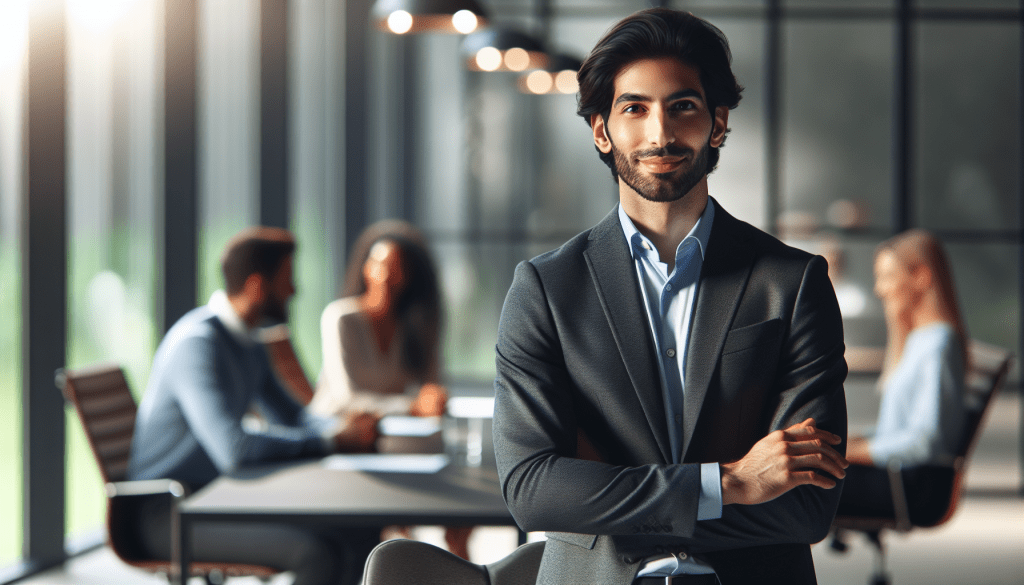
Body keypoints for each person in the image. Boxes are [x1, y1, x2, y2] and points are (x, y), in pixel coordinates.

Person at [492, 9, 849, 585]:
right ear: (602, 130)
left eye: (682, 106)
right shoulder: (546, 290)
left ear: (718, 122)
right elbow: (533, 490)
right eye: (635, 108)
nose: (660, 133)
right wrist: (729, 483)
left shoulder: (793, 282)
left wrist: (605, 505)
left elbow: (807, 505)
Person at [127, 226, 380, 585]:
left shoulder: (249, 341)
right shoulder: (197, 345)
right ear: (257, 286)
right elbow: (234, 449)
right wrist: (334, 443)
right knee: (315, 552)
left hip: (222, 497)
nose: (295, 291)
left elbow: (294, 417)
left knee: (358, 532)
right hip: (169, 513)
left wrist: (342, 430)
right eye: (287, 280)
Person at [309, 219, 468, 557]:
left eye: (396, 269)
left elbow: (432, 389)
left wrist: (433, 400)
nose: (384, 276)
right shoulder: (341, 318)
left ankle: (457, 558)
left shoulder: (417, 326)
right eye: (379, 264)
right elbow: (347, 399)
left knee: (460, 488)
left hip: (391, 447)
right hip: (343, 446)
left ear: (409, 278)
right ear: (365, 268)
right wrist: (412, 405)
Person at [837, 229, 968, 525]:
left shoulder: (938, 345)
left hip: (910, 487)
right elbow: (899, 428)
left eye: (888, 277)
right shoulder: (920, 340)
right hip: (898, 478)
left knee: (791, 486)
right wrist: (852, 443)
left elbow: (926, 442)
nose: (880, 289)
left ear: (921, 277)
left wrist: (857, 451)